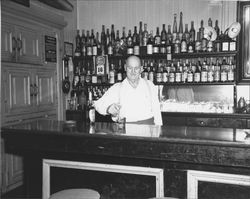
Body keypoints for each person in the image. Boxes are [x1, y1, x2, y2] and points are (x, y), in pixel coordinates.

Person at [94, 55, 162, 125]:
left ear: (141, 69)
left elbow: (157, 112)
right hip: (125, 131)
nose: (133, 72)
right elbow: (98, 104)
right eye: (130, 68)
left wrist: (159, 131)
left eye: (136, 68)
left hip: (148, 130)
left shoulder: (149, 85)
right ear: (125, 68)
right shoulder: (117, 88)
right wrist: (108, 109)